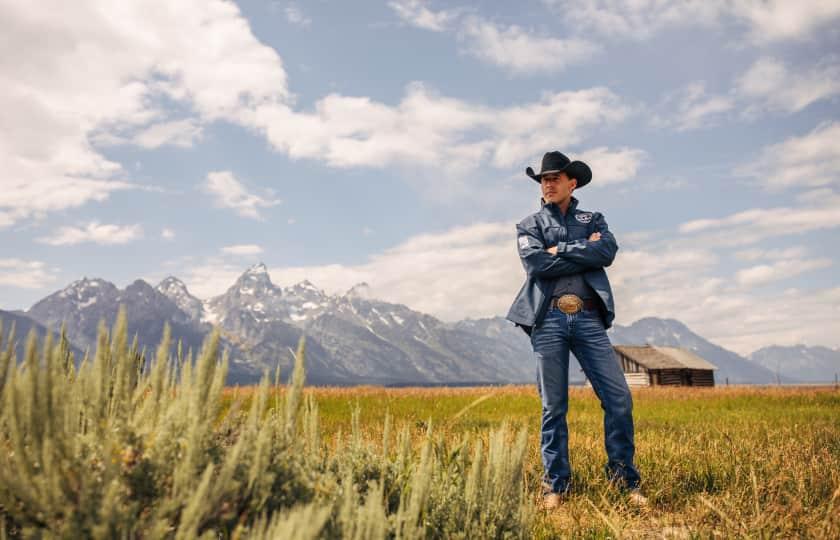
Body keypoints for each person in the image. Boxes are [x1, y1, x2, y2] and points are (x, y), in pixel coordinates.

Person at [506, 151, 647, 510]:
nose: (548, 183)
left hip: (588, 318)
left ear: (572, 182)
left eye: (555, 177)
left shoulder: (592, 217)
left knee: (618, 399)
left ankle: (624, 480)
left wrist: (563, 247)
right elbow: (536, 262)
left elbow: (608, 252)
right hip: (548, 319)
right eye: (543, 179)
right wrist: (584, 249)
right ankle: (555, 485)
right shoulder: (529, 225)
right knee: (554, 407)